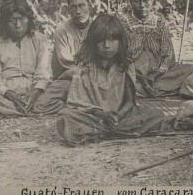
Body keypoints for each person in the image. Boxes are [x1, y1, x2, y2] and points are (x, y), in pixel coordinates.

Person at [56, 14, 172, 146]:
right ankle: (116, 131)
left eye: (112, 40)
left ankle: (101, 132)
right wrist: (102, 115)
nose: (106, 45)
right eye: (101, 40)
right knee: (65, 116)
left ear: (121, 41)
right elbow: (77, 101)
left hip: (120, 117)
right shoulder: (85, 67)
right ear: (93, 42)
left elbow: (129, 101)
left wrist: (118, 116)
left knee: (156, 114)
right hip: (94, 117)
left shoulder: (126, 65)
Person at [0, 0, 64, 118]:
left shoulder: (39, 40)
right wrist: (10, 95)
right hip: (7, 95)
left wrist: (35, 92)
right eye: (13, 20)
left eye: (22, 19)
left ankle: (15, 111)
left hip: (34, 92)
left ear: (29, 19)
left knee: (60, 92)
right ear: (5, 22)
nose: (18, 25)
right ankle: (33, 111)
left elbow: (43, 74)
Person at [120, 0, 193, 97]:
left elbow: (169, 55)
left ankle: (145, 90)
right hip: (133, 75)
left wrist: (156, 74)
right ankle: (150, 89)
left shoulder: (160, 22)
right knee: (121, 80)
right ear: (130, 2)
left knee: (190, 69)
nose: (142, 5)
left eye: (146, 0)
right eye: (137, 1)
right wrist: (140, 77)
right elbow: (120, 58)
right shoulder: (123, 23)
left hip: (159, 75)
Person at [51, 0, 93, 79]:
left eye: (82, 6)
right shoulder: (62, 31)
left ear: (89, 7)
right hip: (66, 77)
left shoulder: (97, 28)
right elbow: (66, 62)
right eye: (73, 7)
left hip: (93, 76)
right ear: (68, 10)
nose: (78, 11)